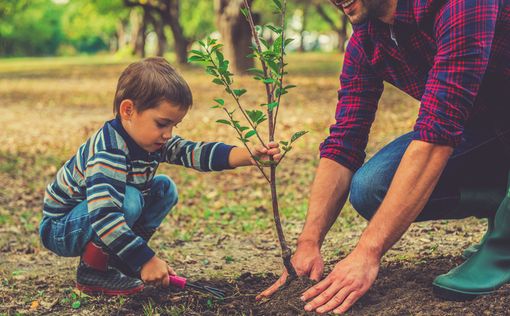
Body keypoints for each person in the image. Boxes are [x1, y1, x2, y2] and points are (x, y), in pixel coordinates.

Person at [259, 0, 510, 313]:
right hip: (488, 128)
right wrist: (309, 242)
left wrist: (367, 253)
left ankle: (505, 244)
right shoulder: (368, 39)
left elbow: (437, 134)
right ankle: (501, 203)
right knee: (372, 187)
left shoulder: (460, 4)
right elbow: (343, 141)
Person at [39, 57, 281, 295]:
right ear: (128, 110)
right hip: (62, 228)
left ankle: (121, 260)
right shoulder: (109, 151)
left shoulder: (151, 140)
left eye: (174, 126)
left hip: (94, 217)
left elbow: (193, 152)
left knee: (164, 188)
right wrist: (145, 260)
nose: (168, 134)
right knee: (129, 199)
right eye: (162, 123)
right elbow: (103, 215)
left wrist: (248, 155)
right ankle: (94, 270)